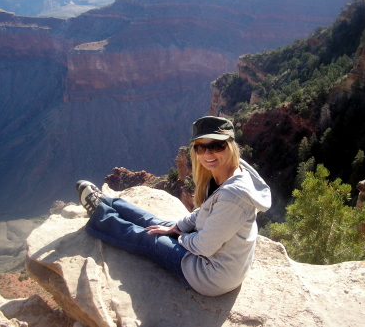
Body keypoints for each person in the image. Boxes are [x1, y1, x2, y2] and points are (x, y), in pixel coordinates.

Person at [76, 116, 271, 296]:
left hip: (212, 274)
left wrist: (178, 235)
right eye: (200, 148)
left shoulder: (233, 196)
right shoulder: (227, 171)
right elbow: (202, 213)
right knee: (155, 222)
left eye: (216, 146)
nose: (208, 154)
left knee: (149, 238)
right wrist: (175, 228)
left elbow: (204, 246)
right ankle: (107, 202)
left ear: (231, 146)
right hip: (220, 258)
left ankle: (100, 216)